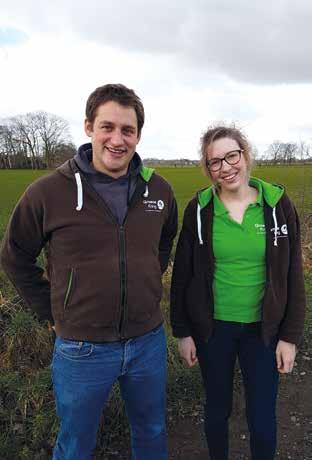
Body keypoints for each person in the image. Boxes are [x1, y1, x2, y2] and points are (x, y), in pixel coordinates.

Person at [1, 83, 177, 460]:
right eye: (107, 127)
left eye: (127, 130)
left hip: (147, 340)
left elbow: (165, 240)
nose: (117, 139)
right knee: (76, 443)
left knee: (152, 430)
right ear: (88, 128)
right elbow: (15, 254)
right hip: (82, 348)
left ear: (138, 136)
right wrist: (52, 310)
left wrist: (147, 278)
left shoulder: (158, 189)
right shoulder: (47, 192)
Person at [170, 125, 306, 460]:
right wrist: (183, 331)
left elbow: (291, 274)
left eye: (232, 156)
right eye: (215, 162)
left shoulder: (277, 204)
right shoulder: (199, 209)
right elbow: (183, 274)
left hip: (263, 330)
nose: (226, 167)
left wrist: (289, 336)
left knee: (261, 416)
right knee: (217, 410)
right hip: (213, 329)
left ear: (245, 155)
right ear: (208, 168)